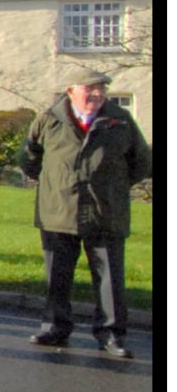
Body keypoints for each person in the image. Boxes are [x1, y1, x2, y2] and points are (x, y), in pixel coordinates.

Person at [20, 67, 151, 358]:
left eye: (102, 89)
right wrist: (56, 184)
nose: (97, 94)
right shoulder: (49, 119)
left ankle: (111, 336)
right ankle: (55, 328)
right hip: (58, 211)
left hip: (106, 212)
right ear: (71, 91)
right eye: (90, 89)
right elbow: (29, 158)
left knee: (109, 279)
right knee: (58, 276)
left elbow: (141, 162)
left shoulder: (120, 120)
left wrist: (112, 186)